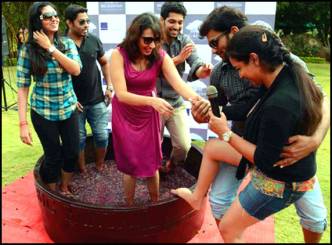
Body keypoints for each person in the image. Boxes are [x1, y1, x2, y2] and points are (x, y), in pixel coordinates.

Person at [172, 24, 324, 243]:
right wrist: (215, 113)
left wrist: (226, 133)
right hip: (283, 170)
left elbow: (263, 160)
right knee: (213, 151)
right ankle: (197, 197)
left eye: (240, 68)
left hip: (279, 181)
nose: (241, 76)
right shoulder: (281, 75)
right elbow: (249, 106)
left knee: (229, 229)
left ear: (254, 58)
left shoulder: (280, 103)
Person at [110, 12, 210, 206]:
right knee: (130, 164)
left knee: (151, 162)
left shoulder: (159, 56)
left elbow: (179, 84)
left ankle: (154, 203)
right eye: (147, 40)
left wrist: (197, 100)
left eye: (156, 40)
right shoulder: (118, 54)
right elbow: (121, 94)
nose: (152, 45)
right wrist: (152, 102)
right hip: (125, 114)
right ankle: (129, 205)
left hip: (148, 115)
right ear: (135, 36)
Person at [17, 2, 82, 195]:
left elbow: (76, 70)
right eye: (48, 16)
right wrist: (22, 124)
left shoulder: (66, 43)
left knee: (72, 152)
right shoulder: (28, 50)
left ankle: (64, 186)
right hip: (43, 111)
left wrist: (51, 48)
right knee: (53, 156)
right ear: (37, 21)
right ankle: (53, 193)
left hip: (68, 108)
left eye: (55, 15)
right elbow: (22, 88)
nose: (54, 18)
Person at [157, 2, 213, 173]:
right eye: (172, 21)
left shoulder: (185, 40)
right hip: (154, 103)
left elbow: (195, 62)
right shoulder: (153, 39)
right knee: (152, 147)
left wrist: (202, 70)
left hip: (175, 102)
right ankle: (153, 172)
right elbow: (149, 69)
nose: (177, 26)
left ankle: (170, 167)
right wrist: (178, 60)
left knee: (183, 146)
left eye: (180, 22)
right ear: (162, 20)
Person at [64, 4, 112, 173]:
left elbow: (105, 62)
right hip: (73, 104)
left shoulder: (93, 40)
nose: (86, 25)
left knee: (102, 135)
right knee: (79, 139)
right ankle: (82, 170)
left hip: (98, 100)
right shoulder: (61, 44)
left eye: (88, 21)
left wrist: (110, 86)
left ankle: (100, 166)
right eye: (81, 22)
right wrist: (70, 99)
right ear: (69, 23)